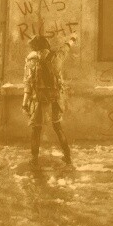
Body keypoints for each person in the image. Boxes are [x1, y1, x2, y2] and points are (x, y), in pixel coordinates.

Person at [22, 33, 77, 166]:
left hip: (38, 99)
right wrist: (72, 39)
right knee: (57, 127)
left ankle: (34, 159)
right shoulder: (56, 57)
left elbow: (28, 83)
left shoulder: (31, 61)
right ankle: (67, 156)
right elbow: (66, 48)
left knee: (36, 130)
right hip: (55, 99)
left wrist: (25, 102)